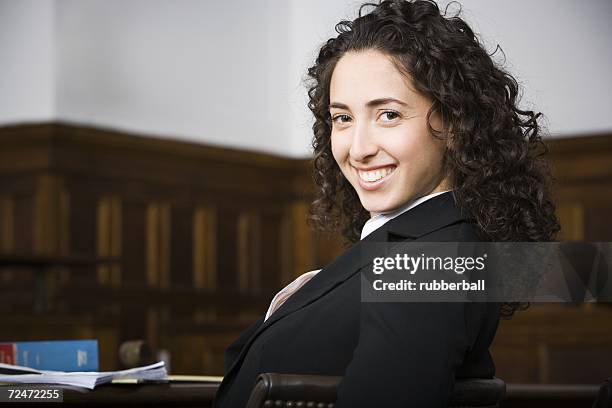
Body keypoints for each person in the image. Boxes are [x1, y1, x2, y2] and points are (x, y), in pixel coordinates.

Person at [213, 0, 559, 406]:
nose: (358, 149)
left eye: (389, 115)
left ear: (455, 123)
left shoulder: (427, 264)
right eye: (342, 118)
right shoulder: (420, 251)